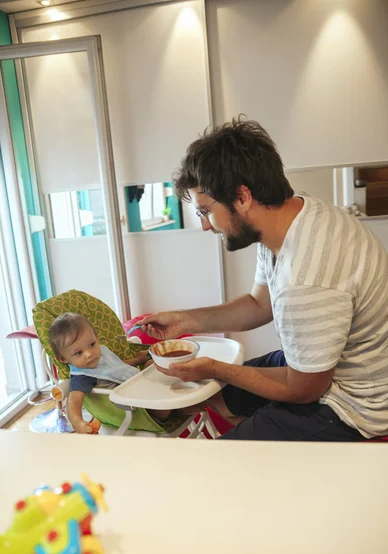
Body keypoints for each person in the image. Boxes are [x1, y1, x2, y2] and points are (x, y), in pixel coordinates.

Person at [139, 118, 388, 441]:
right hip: (331, 368)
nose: (204, 226)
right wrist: (186, 321)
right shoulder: (295, 220)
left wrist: (215, 368)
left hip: (357, 407)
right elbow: (259, 304)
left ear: (242, 197)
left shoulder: (305, 276)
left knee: (220, 460)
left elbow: (303, 389)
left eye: (205, 211)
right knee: (221, 392)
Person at [50, 313, 171, 433]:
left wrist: (138, 360)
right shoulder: (82, 376)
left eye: (92, 344)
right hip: (137, 407)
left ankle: (176, 393)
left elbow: (118, 367)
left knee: (152, 364)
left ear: (96, 337)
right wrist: (77, 423)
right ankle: (176, 400)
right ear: (62, 358)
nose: (89, 353)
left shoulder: (100, 353)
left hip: (140, 384)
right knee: (163, 408)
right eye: (79, 353)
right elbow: (73, 403)